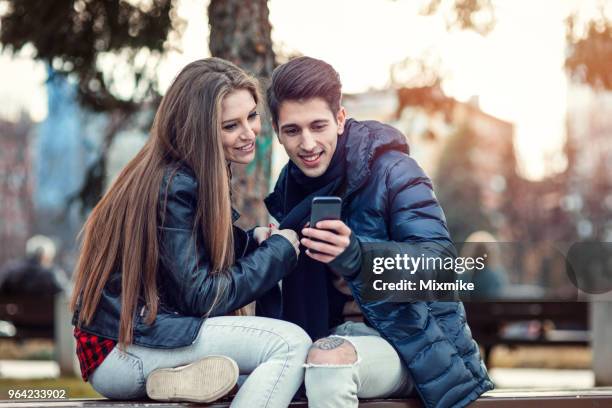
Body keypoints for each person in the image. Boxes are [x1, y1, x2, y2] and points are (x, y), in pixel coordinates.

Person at [70, 58, 312, 407]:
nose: (248, 133)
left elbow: (179, 261)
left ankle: (176, 378)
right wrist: (278, 253)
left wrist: (250, 242)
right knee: (290, 346)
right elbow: (200, 296)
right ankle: (172, 372)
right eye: (231, 125)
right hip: (124, 353)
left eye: (252, 116)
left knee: (256, 376)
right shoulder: (176, 186)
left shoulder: (173, 172)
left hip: (136, 346)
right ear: (199, 129)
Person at [264, 56, 494, 408]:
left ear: (340, 120)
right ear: (277, 132)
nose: (307, 144)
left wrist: (359, 257)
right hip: (323, 341)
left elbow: (441, 267)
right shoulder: (287, 189)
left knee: (326, 362)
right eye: (292, 130)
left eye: (318, 126)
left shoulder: (394, 171)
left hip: (410, 345)